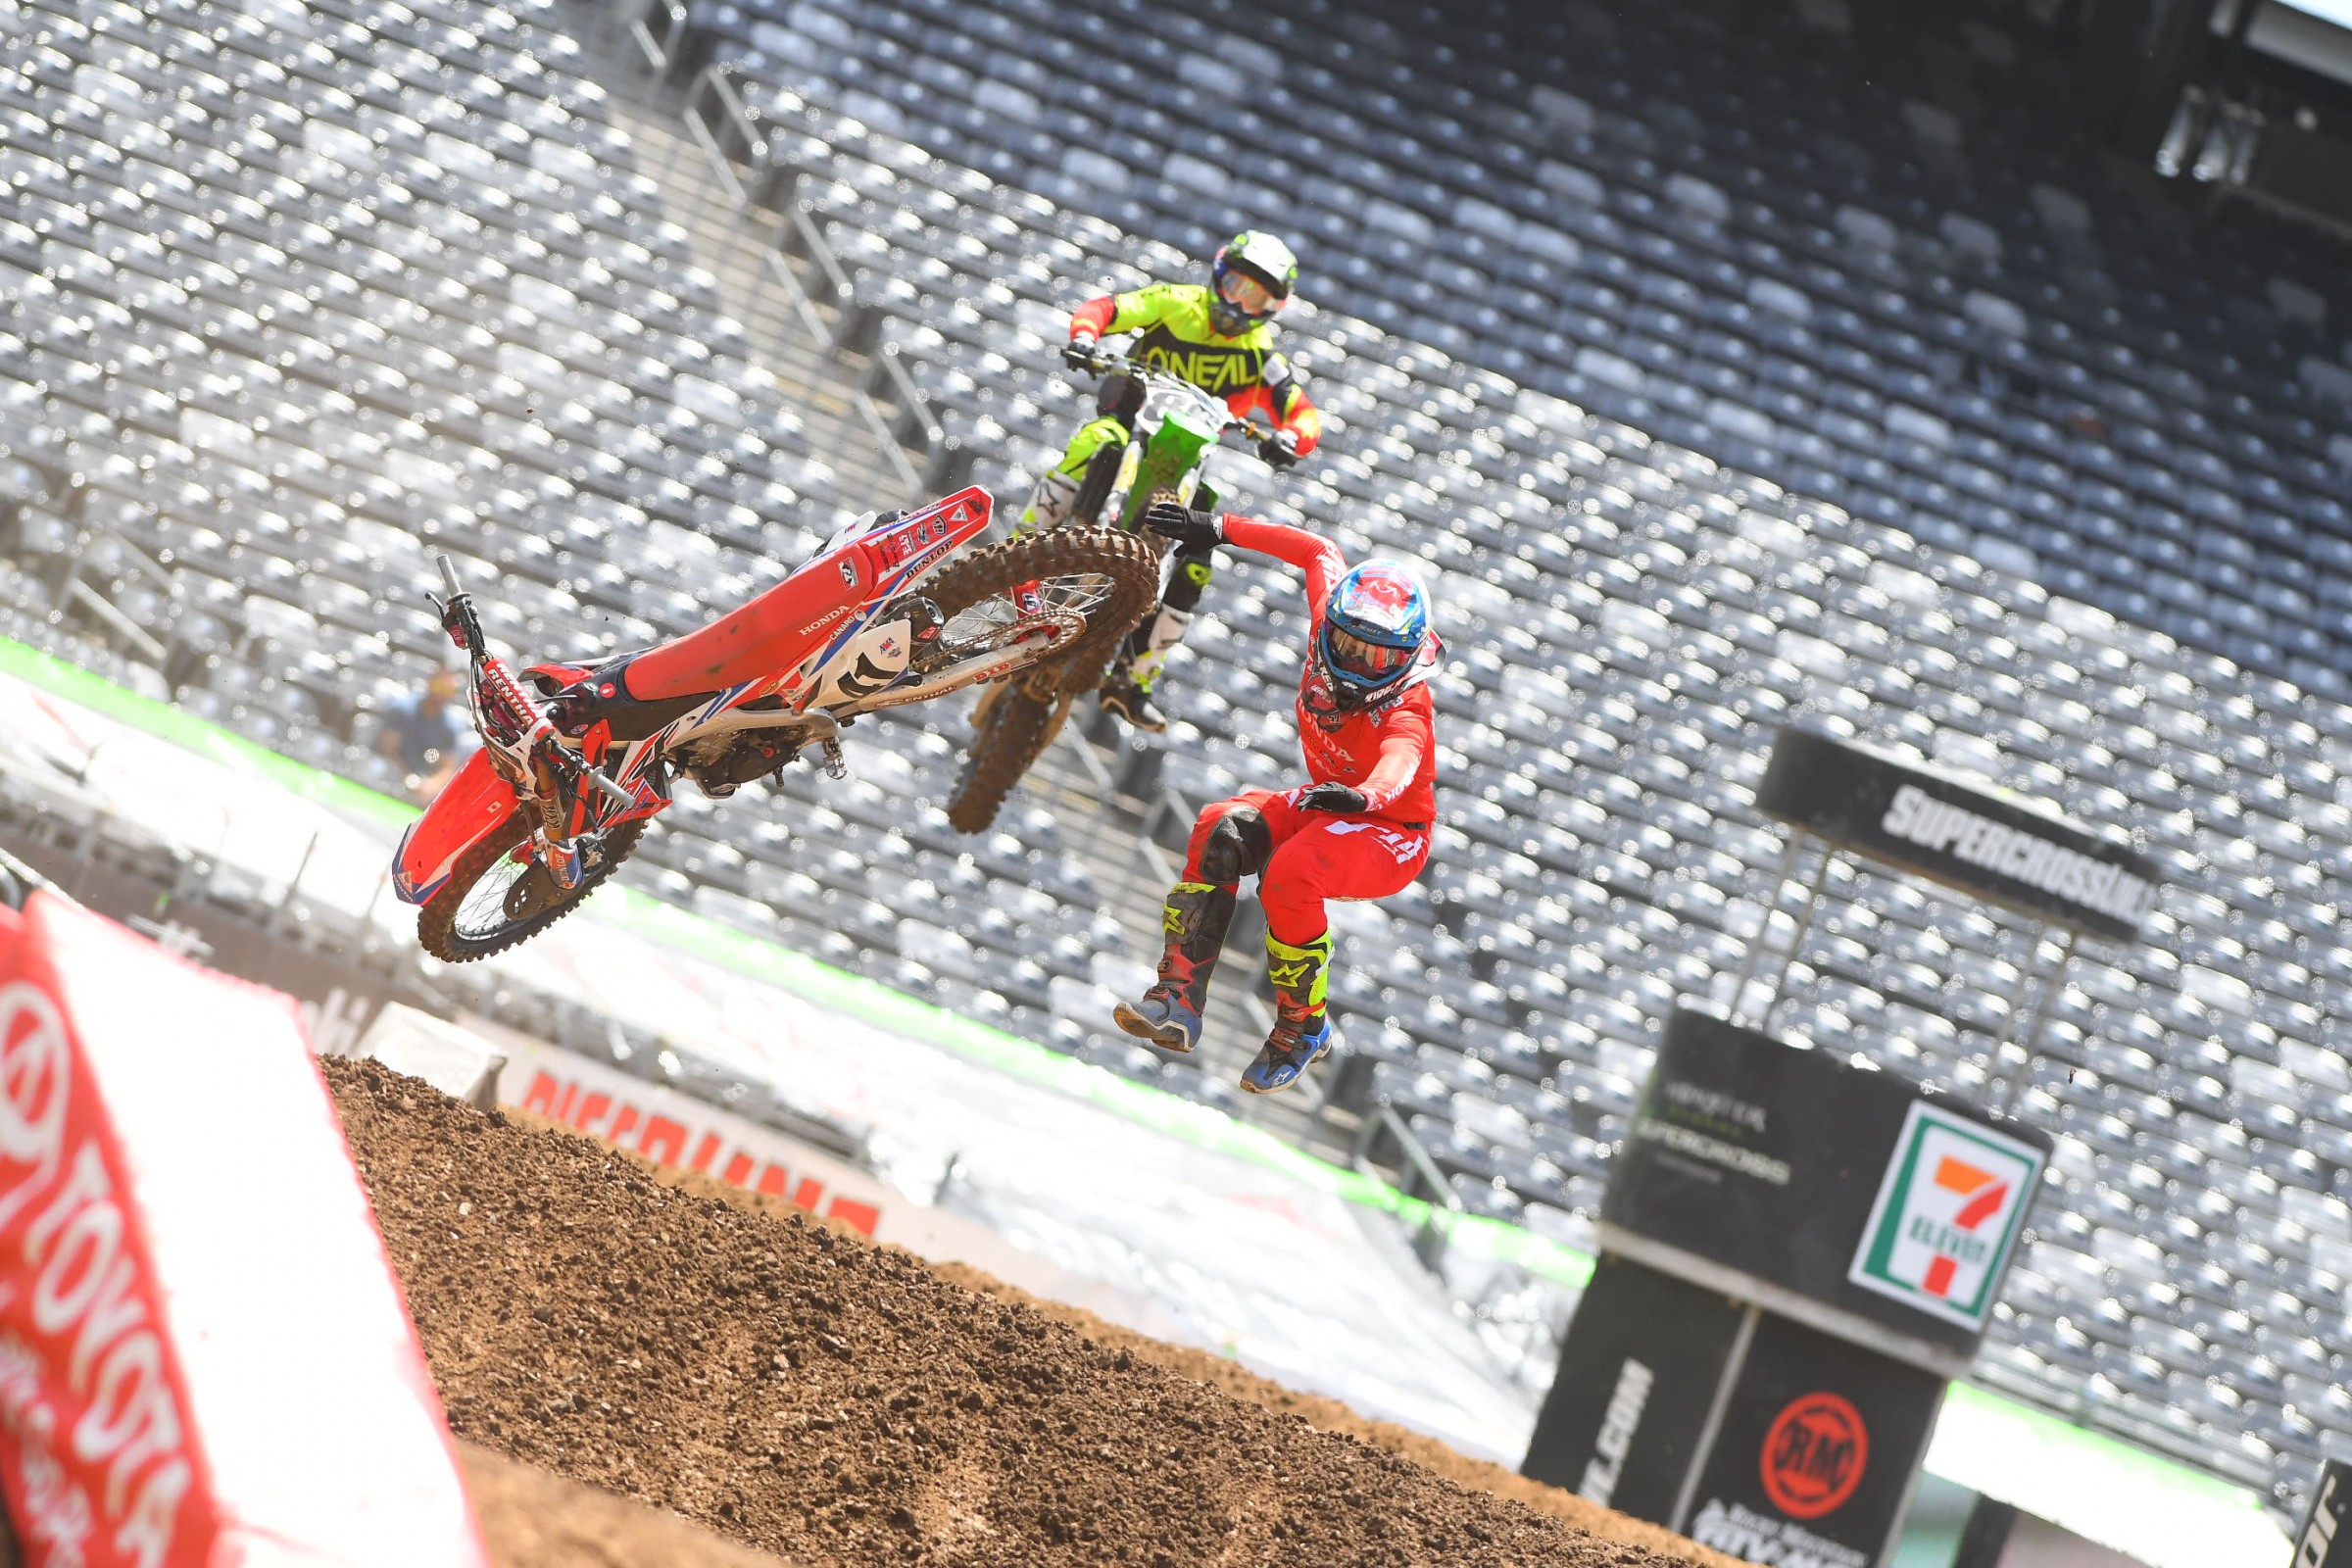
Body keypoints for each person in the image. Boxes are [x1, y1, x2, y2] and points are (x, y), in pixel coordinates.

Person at [1113, 500, 1439, 1094]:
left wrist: (1364, 798)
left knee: (1291, 872)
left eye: (1380, 657)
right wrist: (1218, 528)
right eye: (1350, 645)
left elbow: (1401, 763)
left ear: (1408, 657)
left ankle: (1302, 1026)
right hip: (1332, 803)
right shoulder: (1325, 620)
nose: (1359, 665)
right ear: (1331, 625)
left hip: (1392, 830)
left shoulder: (1407, 706)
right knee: (1221, 827)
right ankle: (1178, 997)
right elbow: (1318, 551)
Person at [1019, 231, 1325, 733]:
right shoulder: (1173, 302)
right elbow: (1106, 309)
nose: (1240, 305)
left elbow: (1304, 413)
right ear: (1218, 275)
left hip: (1185, 461)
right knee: (1096, 441)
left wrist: (1291, 438)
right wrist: (1085, 336)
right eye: (1236, 287)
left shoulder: (1263, 358)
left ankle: (1134, 679)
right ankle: (1017, 555)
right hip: (1130, 417)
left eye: (1256, 298)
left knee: (1200, 551)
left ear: (1273, 307)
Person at [377, 666, 473, 804]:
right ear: (430, 682)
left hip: (423, 784)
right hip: (392, 773)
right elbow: (387, 751)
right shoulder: (402, 709)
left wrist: (431, 785)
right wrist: (408, 778)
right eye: (439, 686)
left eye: (448, 690)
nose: (441, 693)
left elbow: (447, 766)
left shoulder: (451, 726)